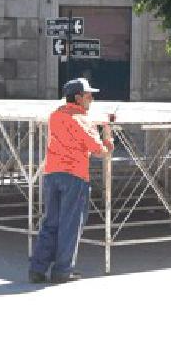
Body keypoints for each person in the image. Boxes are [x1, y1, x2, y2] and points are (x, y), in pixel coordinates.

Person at [29, 77, 113, 284]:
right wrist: (108, 135)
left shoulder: (55, 115)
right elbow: (100, 151)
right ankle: (62, 271)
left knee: (51, 222)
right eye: (88, 95)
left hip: (52, 173)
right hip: (75, 176)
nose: (91, 99)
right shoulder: (82, 120)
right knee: (70, 225)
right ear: (78, 97)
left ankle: (37, 269)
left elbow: (74, 123)